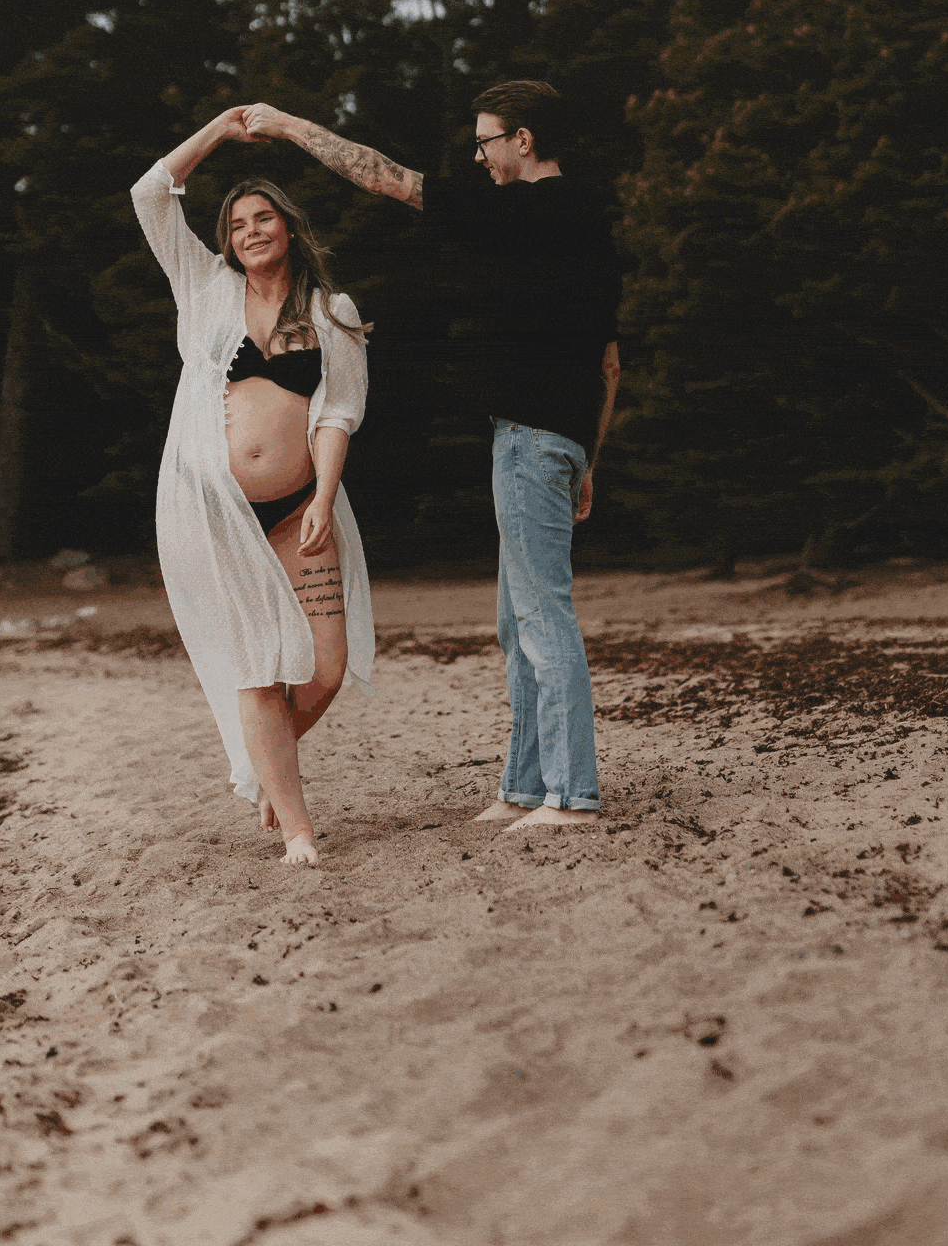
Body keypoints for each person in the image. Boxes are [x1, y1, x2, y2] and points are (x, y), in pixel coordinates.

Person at [244, 80, 622, 832]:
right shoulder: (594, 219)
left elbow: (382, 174)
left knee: (543, 615)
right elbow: (610, 360)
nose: (476, 156)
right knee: (520, 623)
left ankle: (573, 797)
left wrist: (288, 124)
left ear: (524, 139)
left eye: (485, 141)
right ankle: (525, 785)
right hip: (562, 436)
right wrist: (591, 460)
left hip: (528, 434)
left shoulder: (516, 209)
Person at [130, 106, 372, 867]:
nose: (250, 232)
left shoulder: (333, 311)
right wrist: (217, 132)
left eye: (263, 219)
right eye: (237, 225)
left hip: (302, 505)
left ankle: (263, 766)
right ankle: (297, 829)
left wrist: (326, 497)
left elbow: (338, 411)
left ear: (289, 228)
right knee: (261, 669)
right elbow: (148, 194)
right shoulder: (204, 288)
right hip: (219, 512)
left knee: (325, 668)